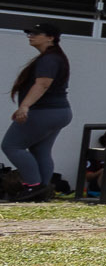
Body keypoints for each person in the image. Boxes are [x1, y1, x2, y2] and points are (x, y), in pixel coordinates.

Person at [6, 23, 71, 201]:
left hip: (44, 112)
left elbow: (42, 84)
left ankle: (33, 187)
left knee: (11, 146)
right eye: (29, 32)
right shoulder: (55, 57)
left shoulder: (49, 59)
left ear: (50, 37)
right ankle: (42, 190)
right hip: (59, 112)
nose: (30, 36)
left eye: (36, 33)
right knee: (40, 150)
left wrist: (24, 106)